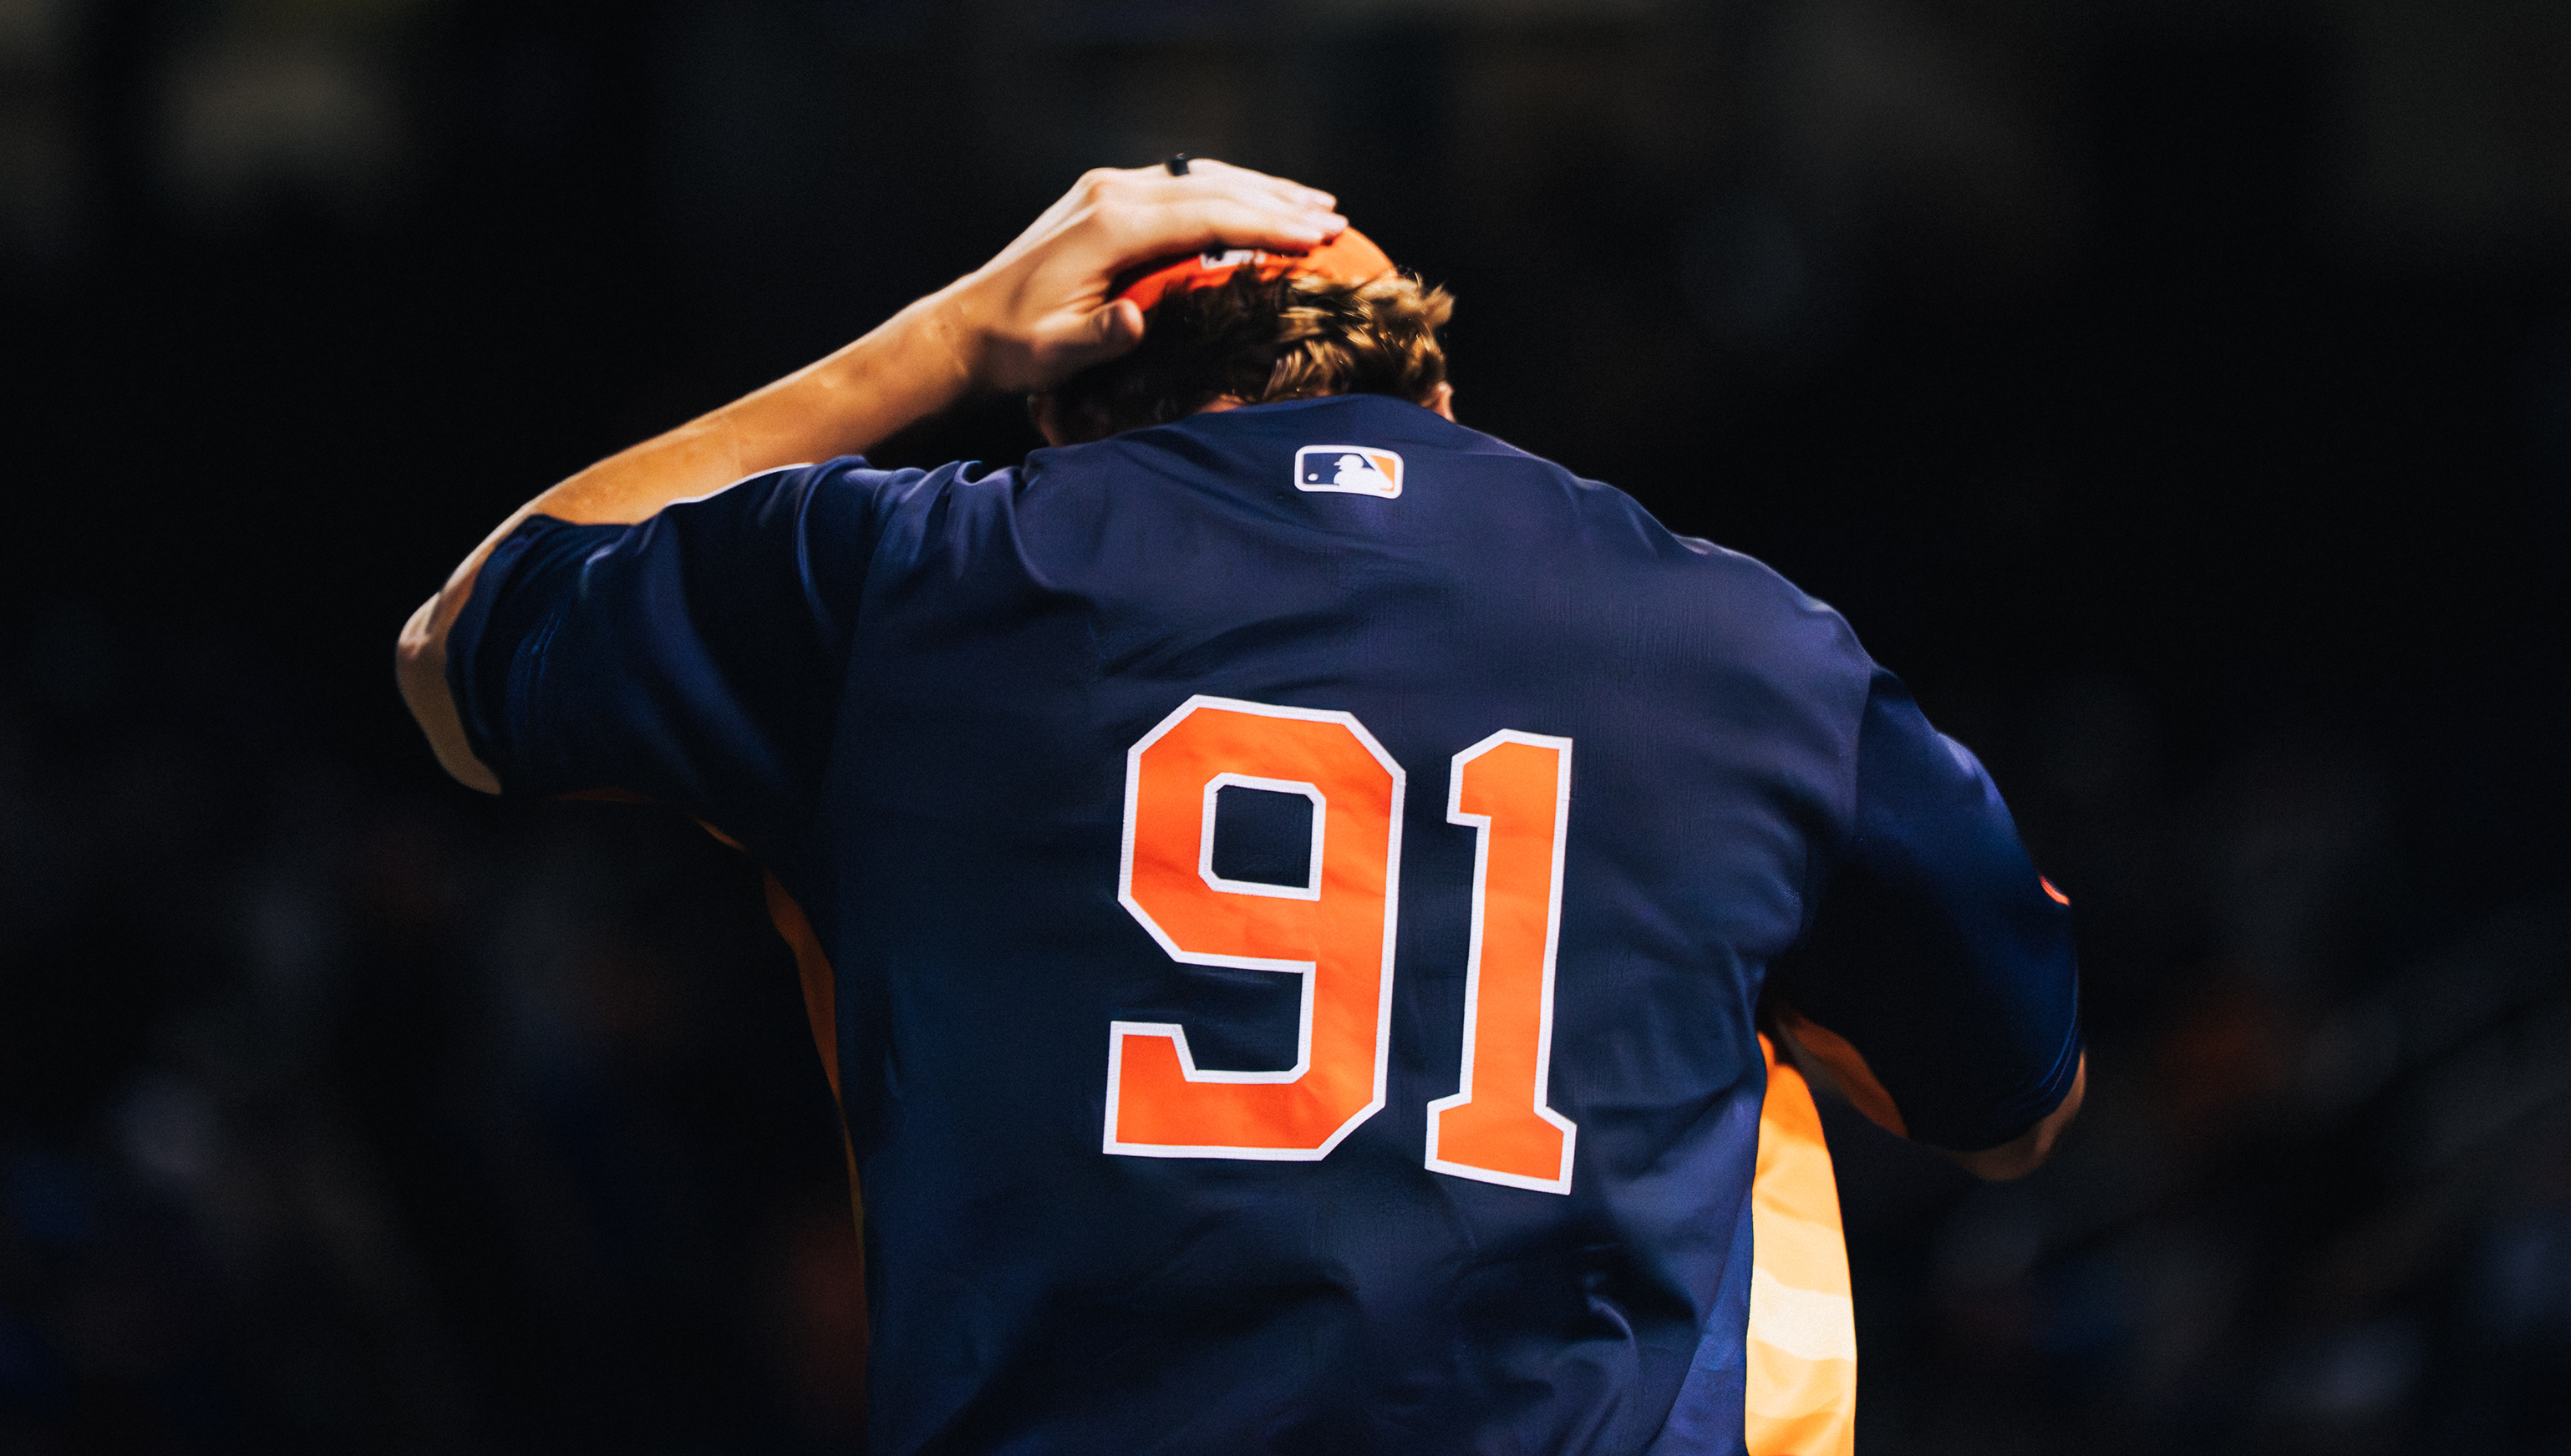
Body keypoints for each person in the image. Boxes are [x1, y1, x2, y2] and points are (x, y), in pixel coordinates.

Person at [395, 159, 2083, 1456]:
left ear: (1062, 415)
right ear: (1432, 390)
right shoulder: (1745, 643)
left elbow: (460, 651)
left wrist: (941, 333)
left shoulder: (911, 578)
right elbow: (2011, 1105)